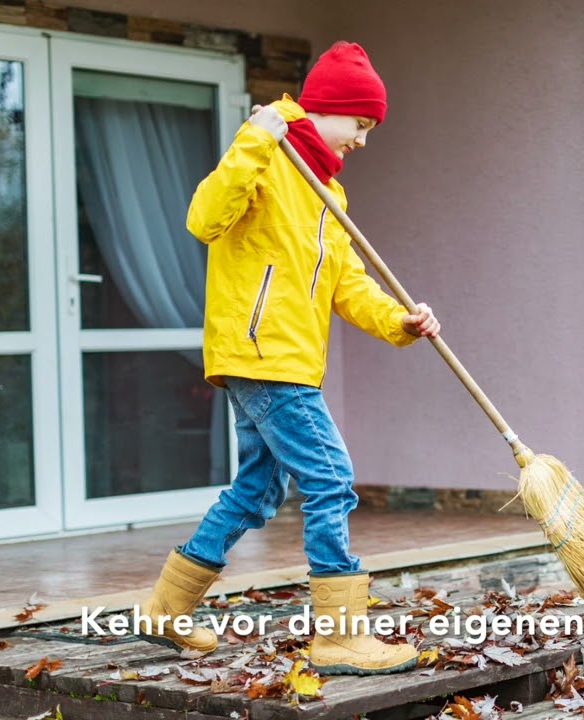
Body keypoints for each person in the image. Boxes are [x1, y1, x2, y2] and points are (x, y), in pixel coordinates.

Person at [133, 41, 437, 676]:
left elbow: (348, 287)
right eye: (360, 123)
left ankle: (167, 608)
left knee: (257, 488)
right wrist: (255, 139)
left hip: (290, 360)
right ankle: (339, 634)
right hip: (261, 355)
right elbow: (203, 219)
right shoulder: (265, 158)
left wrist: (400, 322)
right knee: (330, 478)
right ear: (324, 110)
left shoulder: (328, 193)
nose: (362, 140)